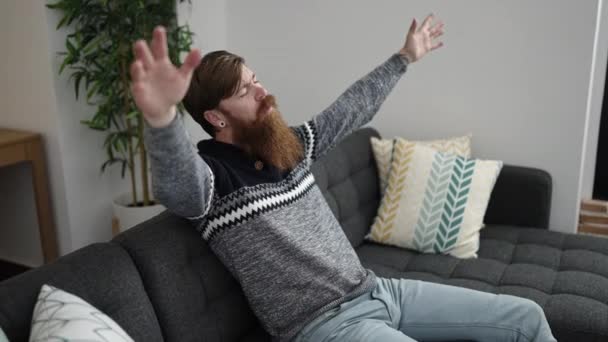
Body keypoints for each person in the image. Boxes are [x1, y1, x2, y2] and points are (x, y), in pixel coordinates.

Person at [130, 14, 557, 342]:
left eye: (256, 80)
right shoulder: (211, 180)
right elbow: (176, 185)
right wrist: (160, 118)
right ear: (214, 117)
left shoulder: (286, 144)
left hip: (379, 291)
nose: (263, 92)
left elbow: (352, 108)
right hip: (324, 325)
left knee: (527, 318)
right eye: (245, 91)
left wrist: (404, 57)